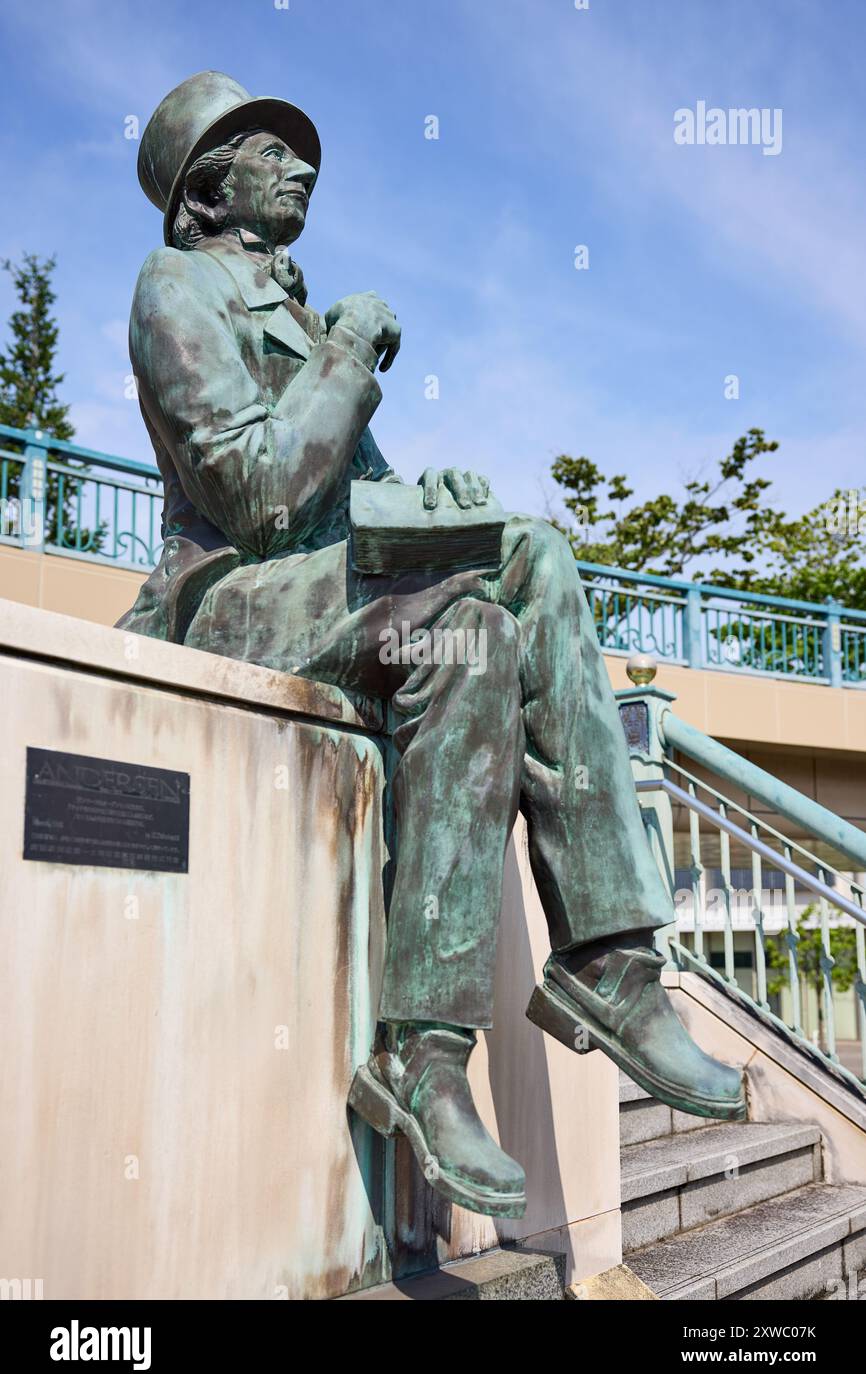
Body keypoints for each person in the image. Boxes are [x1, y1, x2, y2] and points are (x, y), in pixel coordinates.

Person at [120, 71, 745, 1219]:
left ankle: (475, 1026)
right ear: (208, 191)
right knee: (518, 563)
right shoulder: (175, 286)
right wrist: (351, 346)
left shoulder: (295, 313)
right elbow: (260, 494)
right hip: (242, 595)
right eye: (271, 152)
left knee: (492, 609)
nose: (301, 166)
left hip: (326, 583)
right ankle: (565, 984)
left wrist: (432, 500)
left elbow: (353, 498)